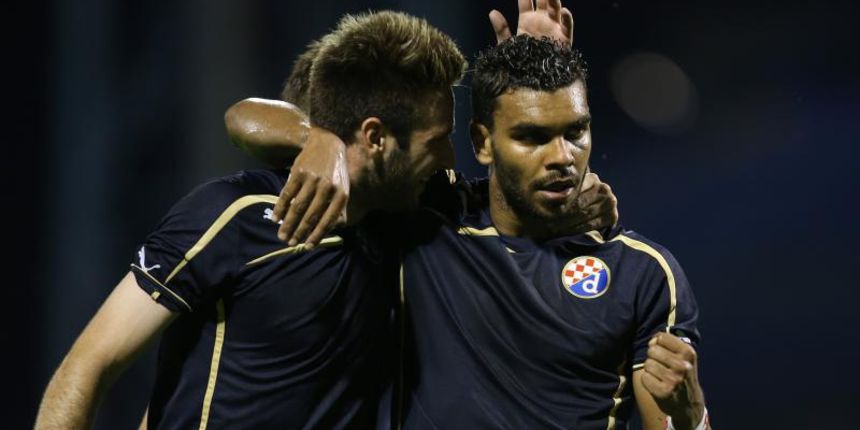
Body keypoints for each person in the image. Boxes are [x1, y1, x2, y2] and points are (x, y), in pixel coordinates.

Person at [234, 17, 710, 430]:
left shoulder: (644, 275)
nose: (562, 157)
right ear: (483, 144)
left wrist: (691, 416)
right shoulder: (428, 219)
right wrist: (320, 138)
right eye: (531, 136)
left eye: (575, 132)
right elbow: (243, 117)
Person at [35, 11, 469, 429]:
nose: (451, 158)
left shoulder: (405, 219)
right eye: (439, 141)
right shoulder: (237, 213)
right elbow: (89, 364)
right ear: (375, 138)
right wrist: (315, 136)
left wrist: (532, 58)